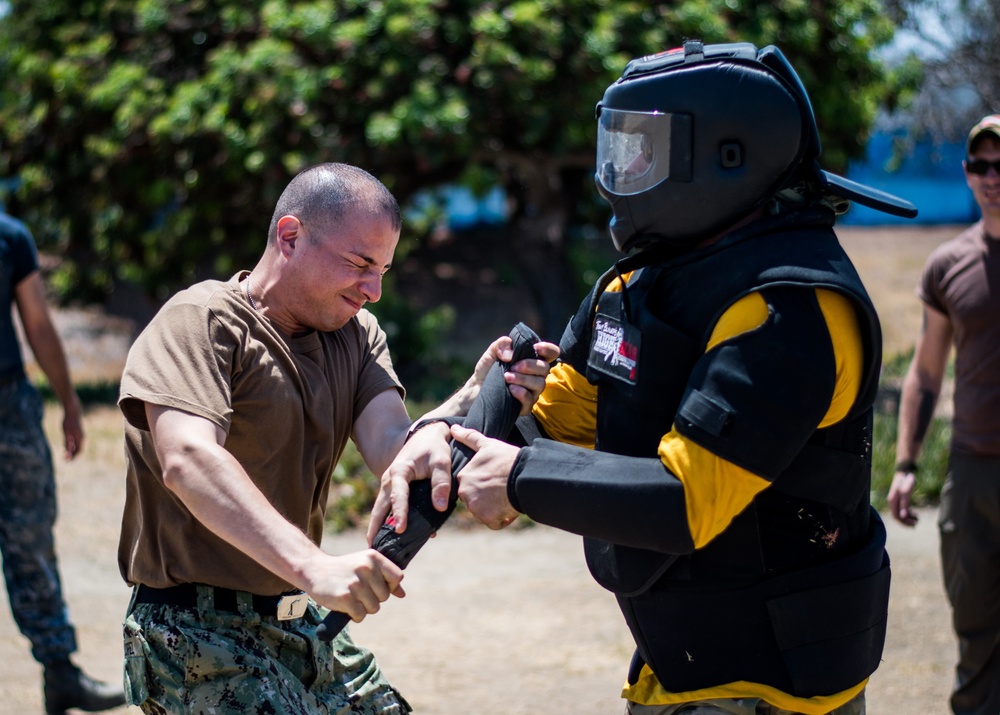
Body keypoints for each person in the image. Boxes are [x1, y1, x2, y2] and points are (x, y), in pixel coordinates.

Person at [373, 41, 919, 715]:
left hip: (774, 689)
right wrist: (447, 432)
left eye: (644, 151)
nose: (619, 172)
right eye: (620, 148)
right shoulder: (654, 275)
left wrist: (518, 476)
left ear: (727, 154)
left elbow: (686, 501)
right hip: (683, 661)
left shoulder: (791, 309)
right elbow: (570, 399)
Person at [116, 162, 557, 714]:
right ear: (291, 236)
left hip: (299, 621)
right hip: (195, 632)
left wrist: (471, 400)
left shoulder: (355, 335)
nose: (372, 290)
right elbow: (187, 456)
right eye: (359, 264)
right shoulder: (199, 322)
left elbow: (393, 448)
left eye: (384, 271)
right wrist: (315, 566)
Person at [887, 114, 1000, 715]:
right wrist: (905, 463)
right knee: (976, 639)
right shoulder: (949, 264)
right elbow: (926, 372)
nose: (991, 176)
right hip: (973, 472)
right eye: (980, 165)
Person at [0, 211, 127, 714]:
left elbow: (37, 323)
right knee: (31, 542)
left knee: (31, 539)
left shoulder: (11, 236)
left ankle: (60, 676)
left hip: (10, 405)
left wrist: (69, 402)